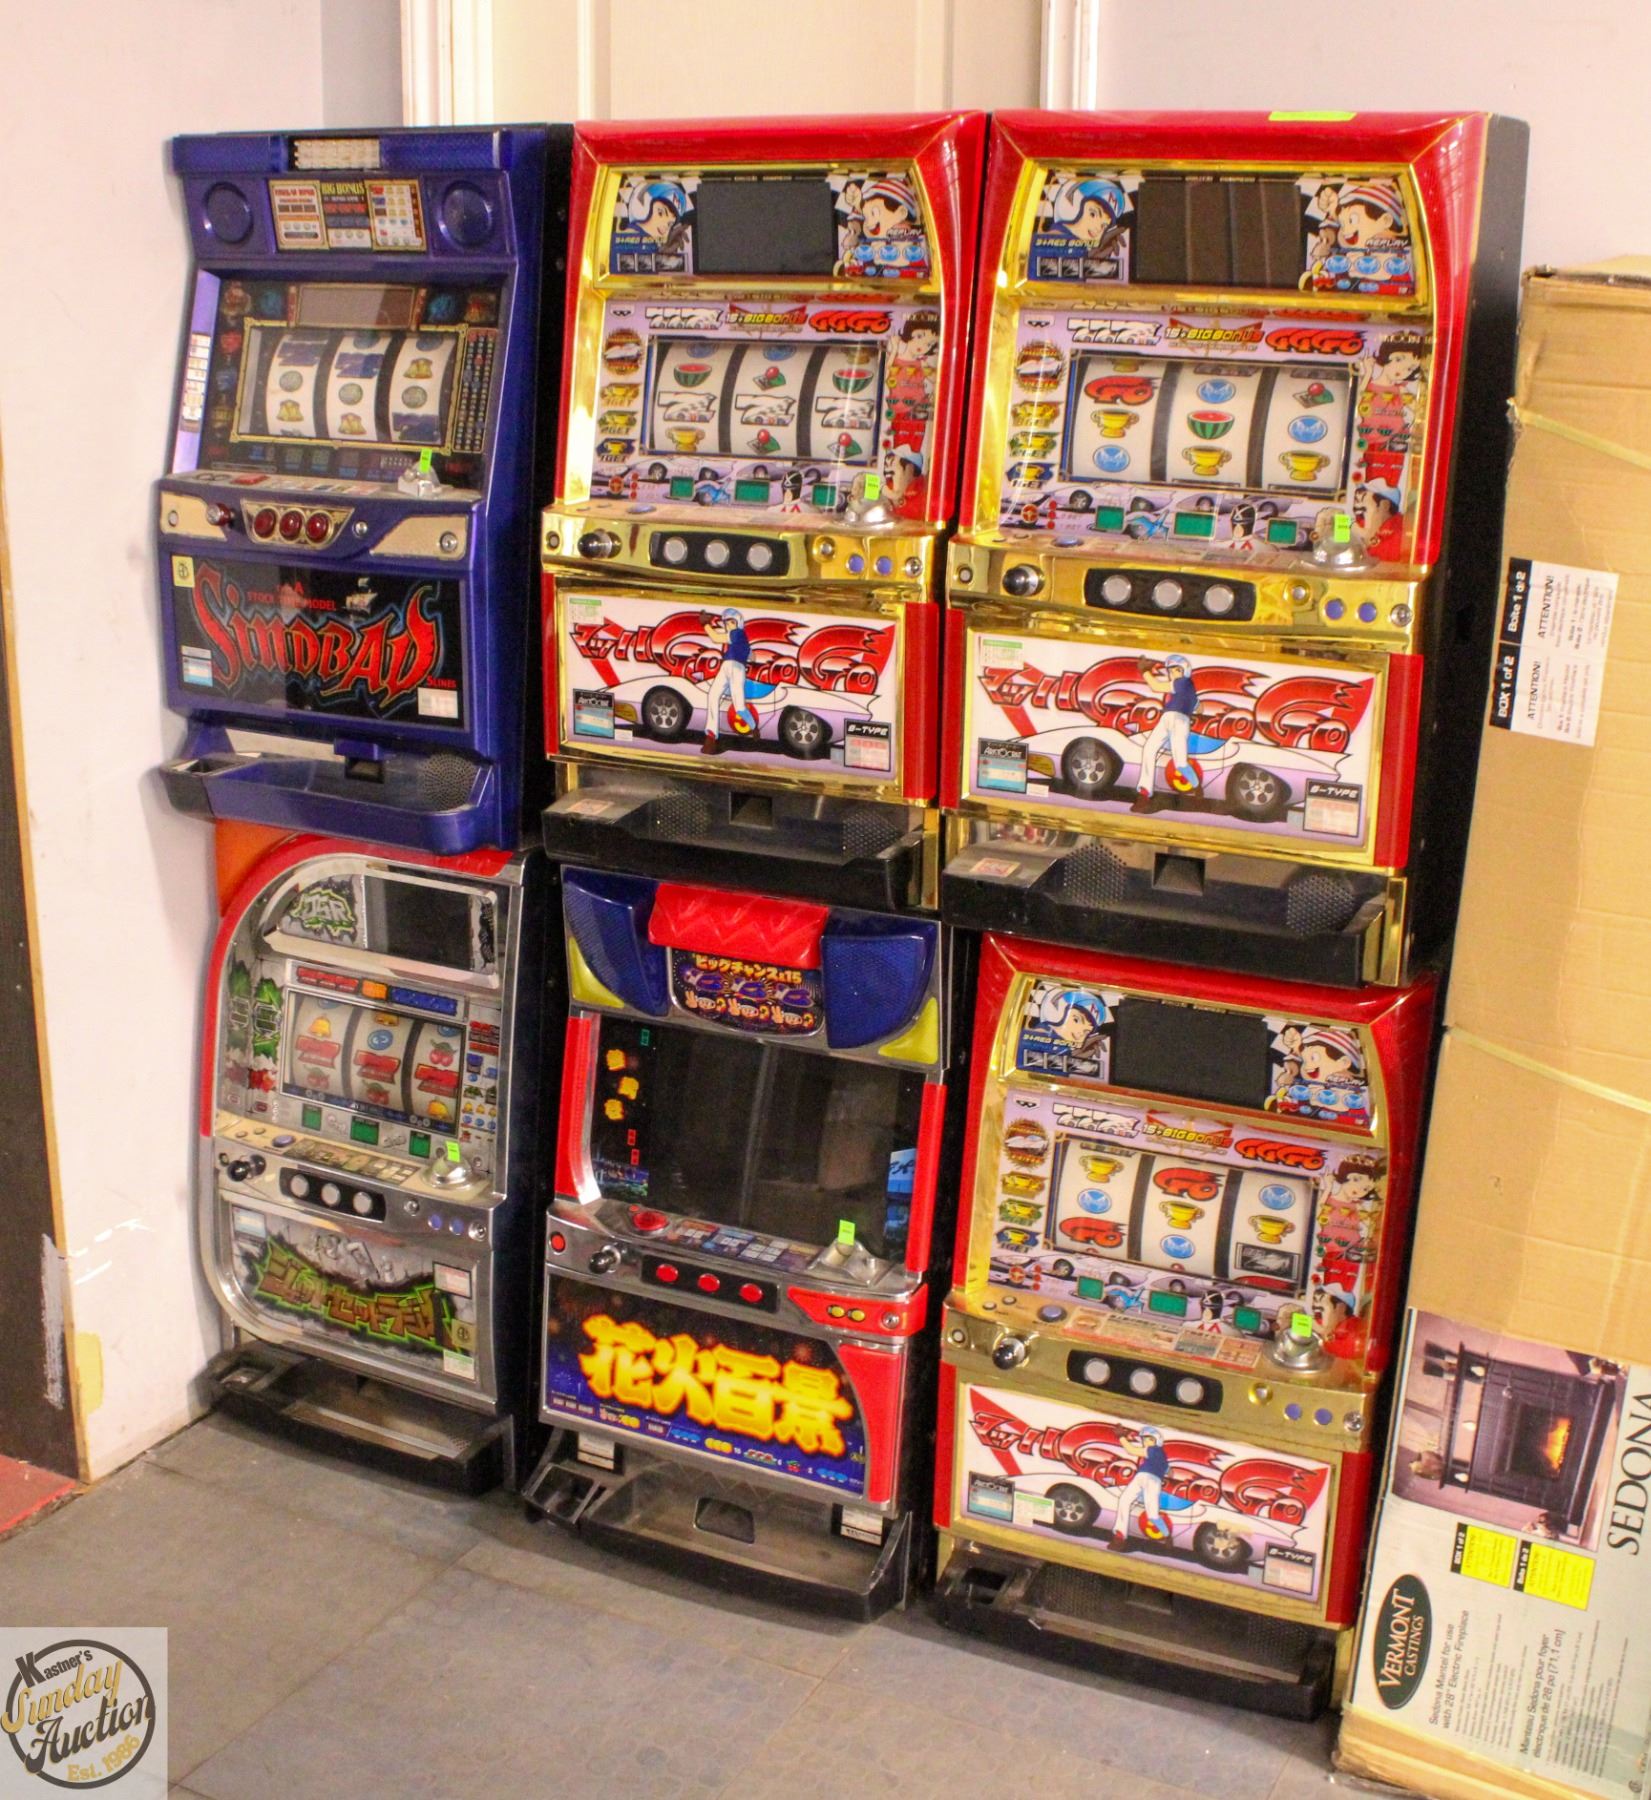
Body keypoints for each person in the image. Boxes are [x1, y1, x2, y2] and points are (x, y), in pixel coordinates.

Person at [1133, 654, 1201, 808]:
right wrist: (1193, 703)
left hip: (1179, 721)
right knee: (1149, 749)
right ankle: (1144, 793)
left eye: (1175, 670)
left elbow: (1156, 686)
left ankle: (1196, 786)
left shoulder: (1183, 682)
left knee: (1180, 763)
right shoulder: (1186, 687)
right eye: (1170, 671)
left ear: (1183, 671)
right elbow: (1199, 707)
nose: (1172, 673)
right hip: (1168, 718)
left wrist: (1144, 671)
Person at [701, 608, 754, 755]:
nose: (728, 625)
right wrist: (746, 651)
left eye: (731, 622)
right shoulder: (739, 638)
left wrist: (705, 624)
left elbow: (716, 638)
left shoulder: (738, 633)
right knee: (713, 695)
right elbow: (753, 656)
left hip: (736, 668)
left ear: (738, 623)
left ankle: (753, 727)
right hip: (727, 666)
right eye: (726, 623)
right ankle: (711, 736)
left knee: (739, 707)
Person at [1112, 1426, 1171, 1546]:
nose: (1145, 1442)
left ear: (1155, 1440)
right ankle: (1120, 1535)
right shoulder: (1162, 1456)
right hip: (1145, 1478)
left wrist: (1121, 1437)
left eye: (1147, 1439)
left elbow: (1131, 1450)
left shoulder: (1154, 1450)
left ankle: (1166, 1535)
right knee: (1125, 1501)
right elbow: (1170, 1472)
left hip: (1150, 1480)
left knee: (1152, 1514)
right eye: (1144, 1439)